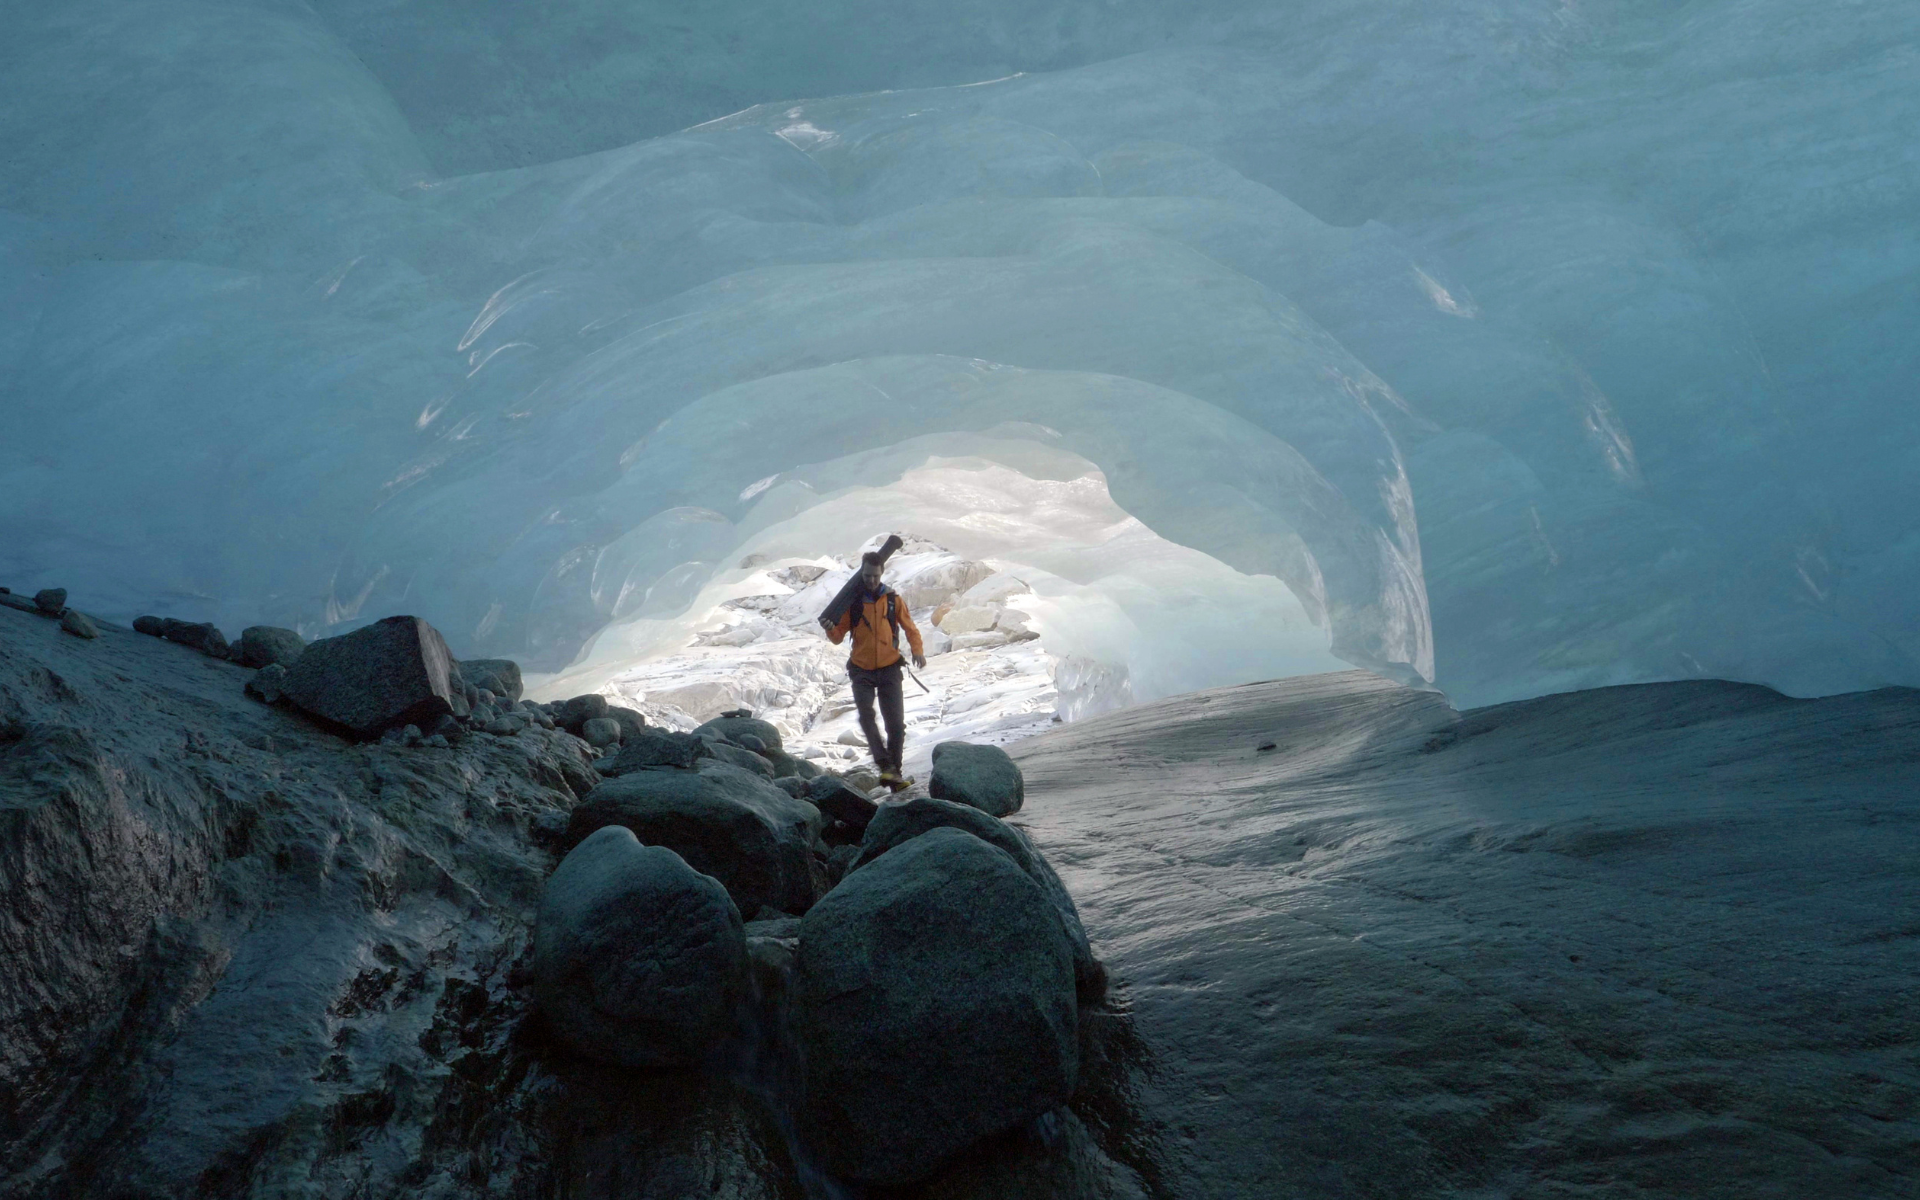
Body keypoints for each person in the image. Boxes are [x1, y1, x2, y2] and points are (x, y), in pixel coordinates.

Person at [819, 550, 926, 790]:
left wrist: (917, 650)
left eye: (876, 576)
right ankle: (886, 766)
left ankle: (895, 775)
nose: (872, 580)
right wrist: (829, 628)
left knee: (896, 726)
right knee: (866, 716)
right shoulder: (853, 602)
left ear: (882, 573)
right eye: (867, 576)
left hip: (890, 668)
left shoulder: (893, 600)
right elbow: (838, 637)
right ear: (862, 573)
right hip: (861, 670)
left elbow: (910, 628)